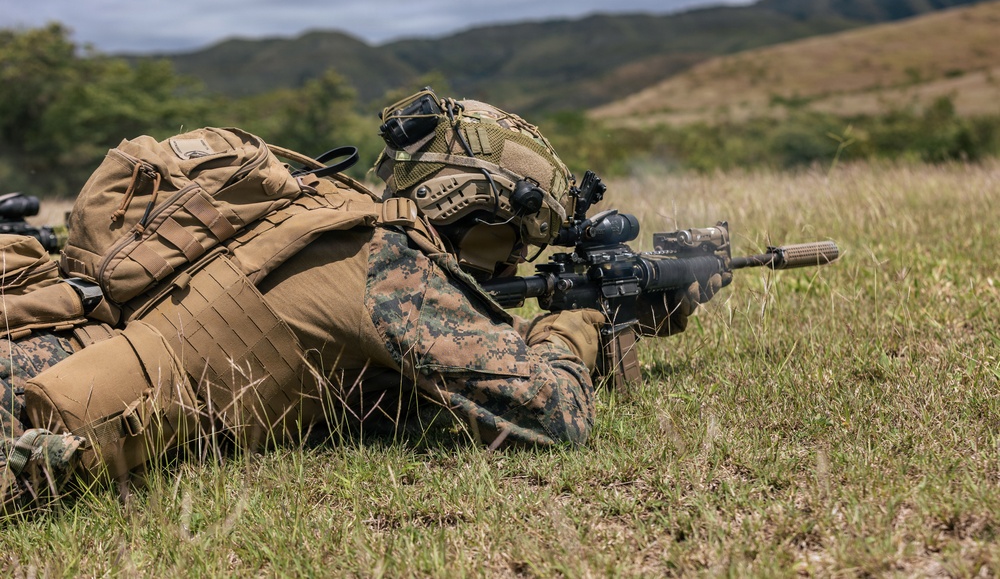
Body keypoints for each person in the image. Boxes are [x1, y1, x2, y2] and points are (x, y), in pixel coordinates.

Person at [0, 89, 718, 514]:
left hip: (48, 347)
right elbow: (555, 417)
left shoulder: (326, 213)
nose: (516, 262)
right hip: (43, 402)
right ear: (479, 210)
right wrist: (573, 327)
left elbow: (391, 383)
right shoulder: (388, 264)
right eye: (514, 242)